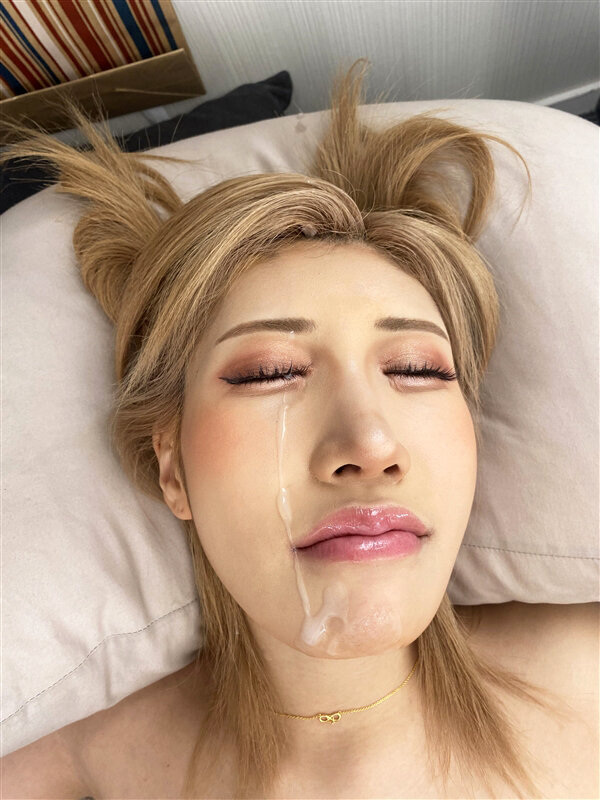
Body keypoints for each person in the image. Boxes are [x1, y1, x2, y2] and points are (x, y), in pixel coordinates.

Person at [1, 59, 596, 799]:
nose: (370, 445)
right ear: (172, 469)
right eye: (269, 373)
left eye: (417, 368)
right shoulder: (79, 749)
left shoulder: (588, 673)